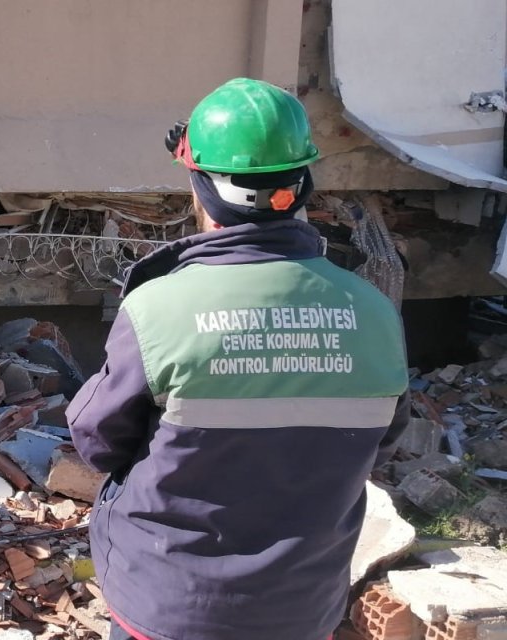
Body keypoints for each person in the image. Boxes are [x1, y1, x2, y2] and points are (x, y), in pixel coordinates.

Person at [65, 78, 410, 640]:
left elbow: (98, 442)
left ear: (200, 185)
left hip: (170, 606)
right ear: (302, 183)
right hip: (302, 608)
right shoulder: (372, 310)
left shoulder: (159, 308)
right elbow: (380, 445)